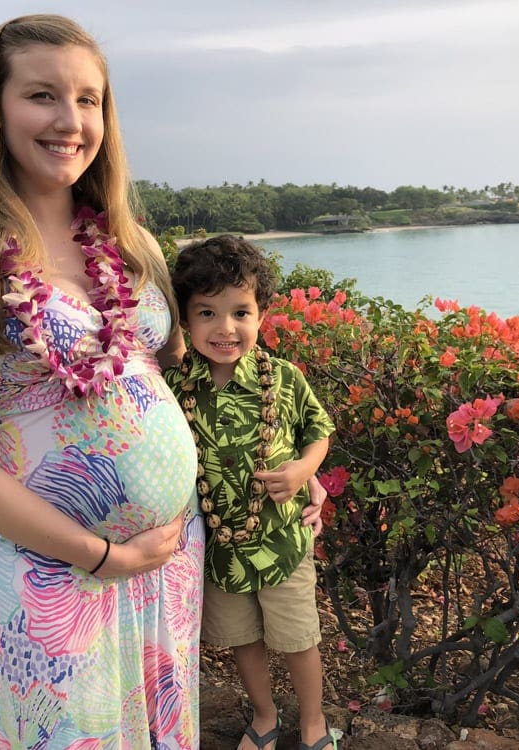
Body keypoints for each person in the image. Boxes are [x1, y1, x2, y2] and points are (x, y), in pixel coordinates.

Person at [0, 15, 205, 747]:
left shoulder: (132, 243)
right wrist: (103, 555)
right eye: (42, 95)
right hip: (57, 577)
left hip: (168, 563)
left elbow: (167, 383)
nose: (71, 121)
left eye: (89, 100)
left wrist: (291, 463)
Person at [165, 236, 338, 750]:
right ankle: (264, 718)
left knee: (299, 638)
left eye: (241, 311)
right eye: (207, 313)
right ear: (185, 320)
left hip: (283, 539)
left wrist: (304, 470)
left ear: (262, 313)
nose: (225, 328)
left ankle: (313, 723)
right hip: (221, 550)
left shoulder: (283, 379)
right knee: (243, 640)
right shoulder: (177, 387)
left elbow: (318, 430)